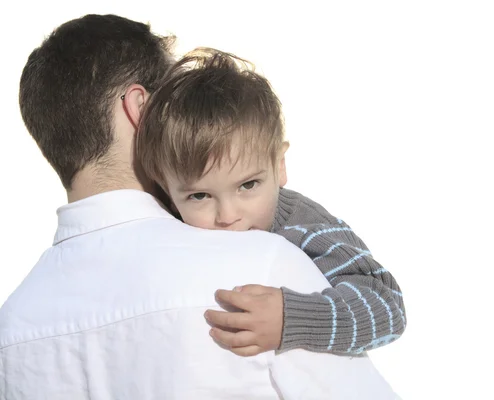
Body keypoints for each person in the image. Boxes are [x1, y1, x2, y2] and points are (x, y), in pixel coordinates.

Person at [0, 13, 399, 399]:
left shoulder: (11, 326)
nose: (228, 217)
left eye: (247, 184)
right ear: (141, 110)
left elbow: (384, 302)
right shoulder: (261, 265)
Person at [136, 49, 407, 356]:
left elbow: (388, 309)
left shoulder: (306, 226)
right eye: (200, 195)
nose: (228, 216)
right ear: (166, 190)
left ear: (280, 165)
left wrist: (292, 318)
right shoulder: (163, 226)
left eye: (247, 185)